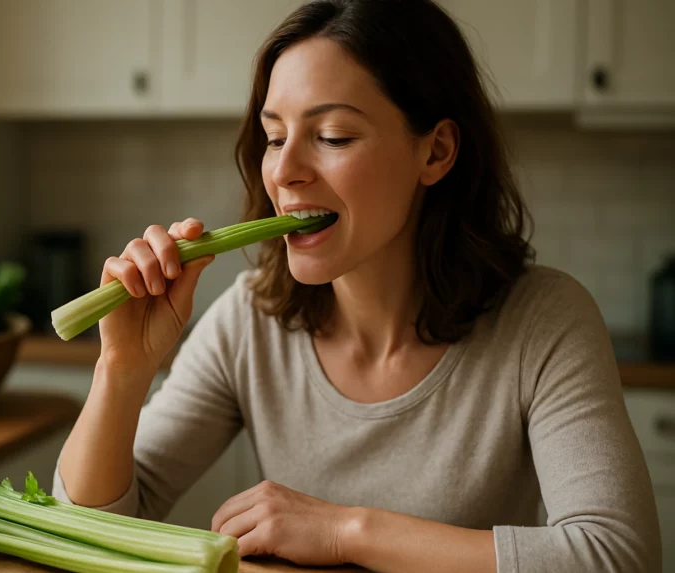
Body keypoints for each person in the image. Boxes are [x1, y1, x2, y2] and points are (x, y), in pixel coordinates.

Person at [53, 1, 661, 571]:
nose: (285, 172)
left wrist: (345, 531)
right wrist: (122, 369)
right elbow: (82, 533)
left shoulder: (545, 321)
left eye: (333, 137)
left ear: (436, 151)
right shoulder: (249, 321)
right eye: (274, 137)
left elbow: (618, 555)